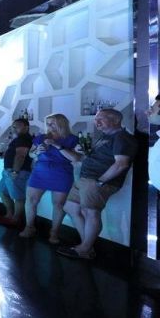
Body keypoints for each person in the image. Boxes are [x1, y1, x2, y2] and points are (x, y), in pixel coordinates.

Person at [59, 109, 137, 259]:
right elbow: (95, 157)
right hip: (85, 179)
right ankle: (87, 246)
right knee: (70, 207)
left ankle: (84, 249)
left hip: (96, 181)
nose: (97, 122)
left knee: (91, 212)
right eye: (96, 119)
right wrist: (84, 153)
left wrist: (100, 182)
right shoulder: (105, 137)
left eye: (101, 119)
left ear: (115, 120)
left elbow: (121, 164)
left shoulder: (122, 137)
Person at [19, 114, 78, 242]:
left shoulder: (72, 139)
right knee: (31, 200)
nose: (49, 126)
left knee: (59, 204)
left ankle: (54, 232)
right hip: (40, 172)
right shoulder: (41, 137)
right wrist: (36, 152)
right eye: (48, 123)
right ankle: (29, 227)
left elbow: (75, 158)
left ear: (62, 124)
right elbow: (31, 154)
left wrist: (57, 145)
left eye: (52, 123)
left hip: (61, 173)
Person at [0, 119, 33, 227]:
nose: (14, 128)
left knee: (18, 197)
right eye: (13, 126)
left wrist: (15, 171)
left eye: (17, 126)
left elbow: (21, 155)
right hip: (9, 171)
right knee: (1, 191)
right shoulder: (19, 139)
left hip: (17, 172)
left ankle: (16, 219)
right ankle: (9, 215)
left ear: (26, 127)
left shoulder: (24, 138)